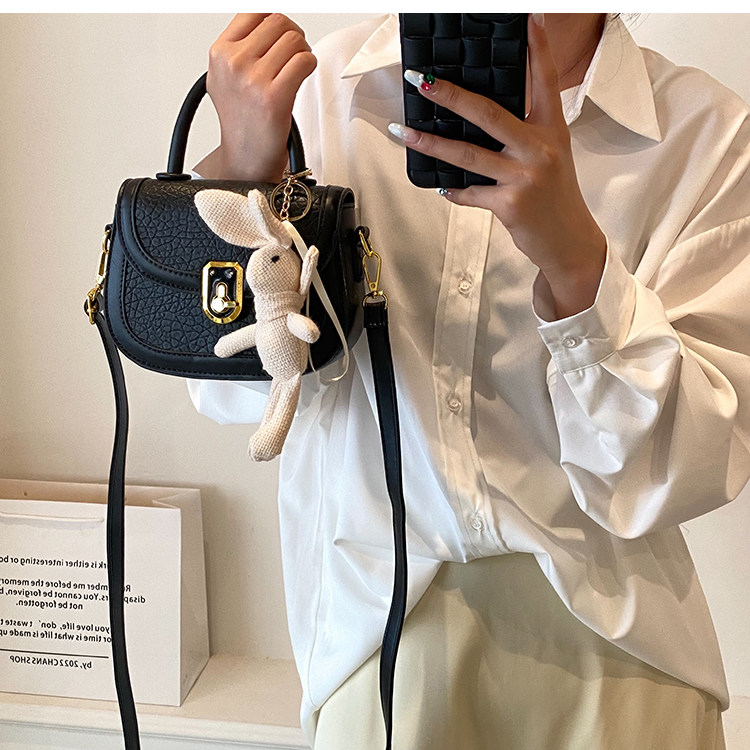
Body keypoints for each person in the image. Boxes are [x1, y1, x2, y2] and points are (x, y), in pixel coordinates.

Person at [190, 12, 750, 750]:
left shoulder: (703, 136)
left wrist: (578, 265)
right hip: (377, 642)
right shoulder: (321, 95)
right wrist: (242, 172)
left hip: (625, 653)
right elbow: (234, 396)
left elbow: (687, 466)